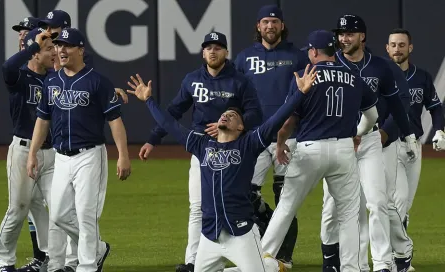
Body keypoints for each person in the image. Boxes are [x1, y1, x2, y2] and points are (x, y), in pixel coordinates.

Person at [126, 63, 315, 271]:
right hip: (210, 236)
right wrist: (148, 101)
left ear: (241, 126)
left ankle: (271, 264)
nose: (226, 115)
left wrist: (300, 93)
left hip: (241, 234)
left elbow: (277, 118)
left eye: (233, 116)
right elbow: (170, 123)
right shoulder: (201, 144)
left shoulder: (249, 144)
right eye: (224, 114)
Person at [137, 32, 262, 272]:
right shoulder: (192, 79)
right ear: (203, 52)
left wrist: (229, 125)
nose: (212, 51)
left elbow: (255, 113)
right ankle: (193, 261)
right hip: (202, 150)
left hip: (234, 150)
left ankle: (250, 250)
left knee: (239, 202)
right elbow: (174, 112)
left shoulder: (240, 80)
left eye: (217, 47)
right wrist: (153, 139)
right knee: (197, 207)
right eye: (208, 47)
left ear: (226, 52)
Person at [257, 29, 379, 272]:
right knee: (348, 216)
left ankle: (261, 260)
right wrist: (357, 134)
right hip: (343, 150)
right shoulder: (354, 76)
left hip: (309, 148)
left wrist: (280, 144)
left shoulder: (306, 75)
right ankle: (351, 268)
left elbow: (288, 122)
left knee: (286, 207)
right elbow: (373, 116)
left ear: (313, 51)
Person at [26, 28, 131, 272]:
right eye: (59, 46)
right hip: (61, 157)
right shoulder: (52, 81)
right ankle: (97, 249)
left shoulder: (98, 81)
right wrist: (32, 153)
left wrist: (123, 155)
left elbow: (115, 121)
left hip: (90, 155)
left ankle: (87, 266)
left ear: (80, 50)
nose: (61, 50)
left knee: (85, 214)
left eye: (67, 46)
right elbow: (42, 120)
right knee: (59, 216)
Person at [320, 15, 418, 272]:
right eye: (341, 34)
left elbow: (398, 103)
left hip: (371, 140)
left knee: (376, 202)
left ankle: (383, 263)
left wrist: (405, 134)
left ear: (362, 36)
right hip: (338, 141)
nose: (344, 38)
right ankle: (335, 262)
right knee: (332, 207)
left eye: (350, 33)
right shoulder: (330, 64)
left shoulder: (381, 67)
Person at [233, 5, 308, 268]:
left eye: (275, 22)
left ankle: (284, 257)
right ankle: (266, 233)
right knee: (245, 193)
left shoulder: (297, 56)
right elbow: (234, 96)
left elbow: (307, 94)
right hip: (255, 137)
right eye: (265, 21)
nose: (270, 26)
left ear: (282, 26)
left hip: (289, 138)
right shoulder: (243, 59)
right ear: (258, 26)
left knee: (286, 197)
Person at [0, 28, 58, 272]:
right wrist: (34, 46)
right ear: (35, 53)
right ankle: (4, 260)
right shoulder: (20, 77)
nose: (54, 52)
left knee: (57, 210)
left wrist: (112, 92)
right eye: (48, 49)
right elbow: (7, 68)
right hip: (22, 150)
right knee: (18, 208)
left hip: (52, 152)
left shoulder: (55, 79)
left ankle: (50, 259)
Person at [386, 28, 445, 272]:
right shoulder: (378, 74)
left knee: (404, 205)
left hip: (413, 146)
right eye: (393, 45)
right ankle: (395, 259)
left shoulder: (421, 76)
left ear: (410, 48)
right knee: (396, 203)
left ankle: (397, 258)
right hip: (386, 145)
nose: (397, 49)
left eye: (402, 45)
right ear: (387, 48)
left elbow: (435, 107)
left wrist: (440, 130)